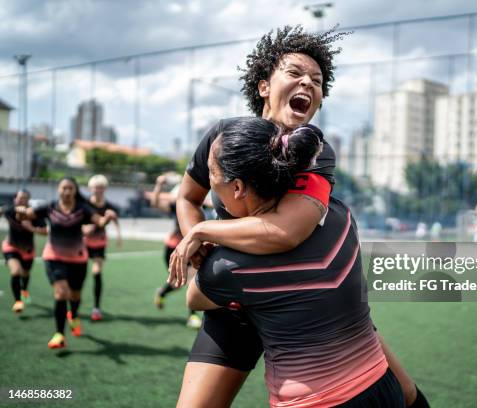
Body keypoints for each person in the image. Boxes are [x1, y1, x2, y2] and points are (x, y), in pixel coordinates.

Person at [170, 25, 428, 407]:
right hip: (237, 298)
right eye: (295, 72)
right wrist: (199, 249)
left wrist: (207, 232)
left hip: (305, 302)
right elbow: (187, 198)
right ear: (263, 87)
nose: (308, 82)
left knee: (403, 393)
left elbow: (286, 232)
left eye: (318, 80)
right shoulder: (224, 138)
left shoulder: (313, 152)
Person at [177, 117, 403, 406]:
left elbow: (194, 298)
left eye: (211, 173)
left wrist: (204, 235)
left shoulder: (228, 267)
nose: (208, 181)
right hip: (383, 388)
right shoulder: (340, 215)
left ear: (237, 188)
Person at [16, 177, 116, 349]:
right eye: (64, 188)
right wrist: (19, 211)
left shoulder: (82, 209)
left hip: (78, 259)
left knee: (75, 296)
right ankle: (59, 334)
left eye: (71, 188)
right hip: (54, 257)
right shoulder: (49, 207)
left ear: (75, 191)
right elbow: (25, 215)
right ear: (58, 190)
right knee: (61, 294)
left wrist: (107, 218)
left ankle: (74, 316)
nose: (67, 191)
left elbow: (99, 221)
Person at [150, 172, 202, 329]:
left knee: (193, 280)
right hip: (173, 248)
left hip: (192, 248)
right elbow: (155, 203)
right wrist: (159, 184)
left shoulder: (201, 203)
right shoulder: (178, 204)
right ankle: (162, 293)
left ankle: (192, 316)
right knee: (179, 282)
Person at [1, 189, 47, 313]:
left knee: (25, 273)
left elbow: (45, 231)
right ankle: (18, 301)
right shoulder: (9, 210)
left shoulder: (33, 214)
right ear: (15, 199)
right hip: (11, 246)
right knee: (16, 271)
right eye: (20, 197)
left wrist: (31, 228)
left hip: (27, 249)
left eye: (25, 198)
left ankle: (24, 291)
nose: (22, 200)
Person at [83, 174, 122, 321]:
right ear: (90, 188)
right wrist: (84, 228)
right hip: (82, 244)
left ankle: (96, 308)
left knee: (96, 272)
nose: (97, 190)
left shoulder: (109, 206)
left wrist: (119, 235)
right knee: (78, 276)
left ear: (104, 189)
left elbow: (114, 219)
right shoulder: (84, 204)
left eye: (100, 188)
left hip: (99, 243)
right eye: (95, 187)